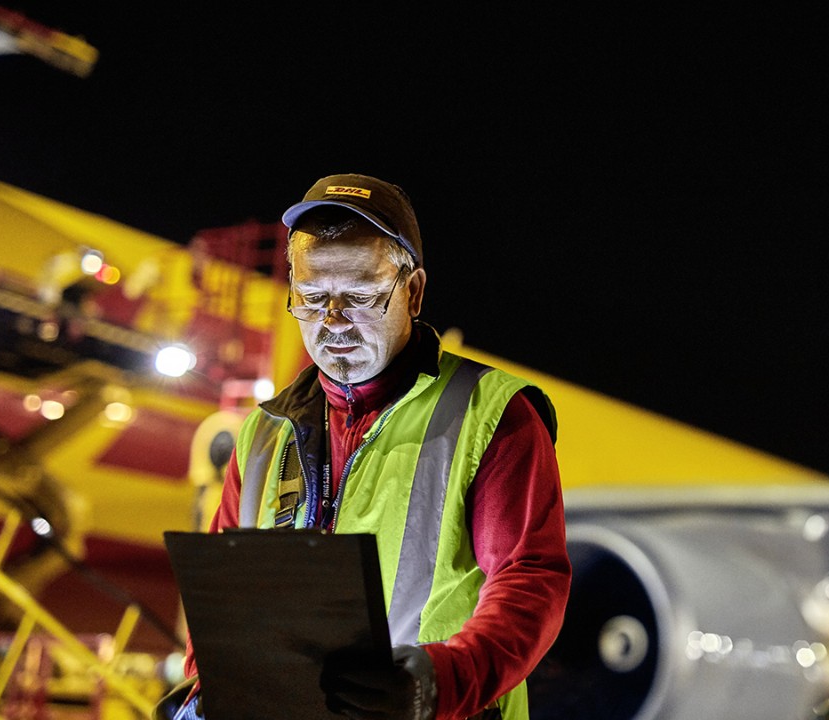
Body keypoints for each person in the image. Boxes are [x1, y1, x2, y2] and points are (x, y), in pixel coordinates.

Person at [167, 173, 571, 720]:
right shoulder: (262, 434)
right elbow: (224, 604)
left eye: (359, 297)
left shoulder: (493, 414)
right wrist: (206, 693)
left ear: (414, 292)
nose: (333, 322)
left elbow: (529, 582)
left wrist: (438, 683)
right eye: (312, 298)